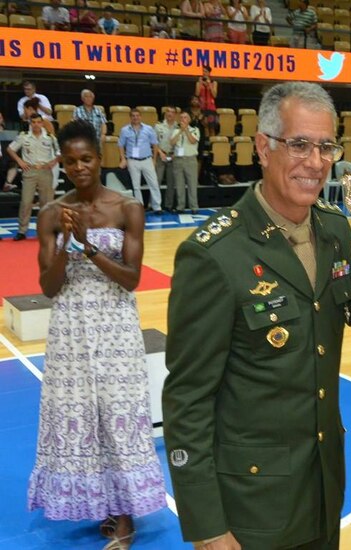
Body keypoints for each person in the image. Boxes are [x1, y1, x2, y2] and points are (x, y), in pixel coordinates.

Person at [162, 81, 351, 550]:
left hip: (324, 483)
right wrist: (207, 525)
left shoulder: (332, 229)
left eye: (326, 146)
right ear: (263, 148)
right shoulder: (213, 255)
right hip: (253, 503)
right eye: (299, 145)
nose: (316, 162)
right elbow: (186, 401)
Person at [27, 120, 166, 550]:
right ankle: (98, 504)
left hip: (116, 327)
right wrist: (67, 243)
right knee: (81, 417)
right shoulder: (52, 213)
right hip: (71, 328)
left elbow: (131, 279)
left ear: (100, 158)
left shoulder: (126, 208)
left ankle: (125, 519)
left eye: (86, 159)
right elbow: (48, 288)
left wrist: (87, 246)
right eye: (70, 161)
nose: (79, 168)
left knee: (118, 417)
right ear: (63, 164)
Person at [6, 114, 60, 241]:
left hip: (45, 171)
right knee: (26, 202)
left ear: (42, 123)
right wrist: (20, 161)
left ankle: (46, 231)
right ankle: (22, 231)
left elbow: (60, 152)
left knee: (46, 203)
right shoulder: (24, 136)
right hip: (29, 171)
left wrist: (54, 162)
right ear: (30, 123)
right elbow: (10, 149)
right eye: (33, 122)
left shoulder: (50, 137)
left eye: (38, 122)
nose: (36, 124)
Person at [118, 108, 163, 213]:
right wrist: (123, 159)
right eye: (133, 116)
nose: (135, 117)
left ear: (140, 117)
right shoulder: (125, 130)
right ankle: (140, 207)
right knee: (136, 186)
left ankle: (157, 207)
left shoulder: (148, 129)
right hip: (132, 160)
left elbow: (155, 144)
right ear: (130, 117)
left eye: (137, 115)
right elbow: (120, 145)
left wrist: (154, 159)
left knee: (154, 184)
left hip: (147, 160)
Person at [169, 111, 199, 213]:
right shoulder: (175, 130)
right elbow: (172, 142)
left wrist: (185, 130)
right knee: (179, 184)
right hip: (178, 160)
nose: (183, 119)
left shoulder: (195, 130)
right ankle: (180, 206)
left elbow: (192, 141)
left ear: (189, 119)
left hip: (190, 160)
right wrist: (180, 131)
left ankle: (194, 207)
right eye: (181, 117)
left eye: (185, 117)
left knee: (192, 184)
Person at [154, 106, 178, 211]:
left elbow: (181, 143)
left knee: (171, 183)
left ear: (175, 114)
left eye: (172, 112)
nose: (170, 114)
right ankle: (154, 205)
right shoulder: (158, 126)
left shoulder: (179, 127)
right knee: (156, 182)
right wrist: (160, 153)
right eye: (168, 111)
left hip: (173, 156)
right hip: (161, 155)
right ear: (165, 113)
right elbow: (154, 142)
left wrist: (175, 154)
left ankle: (169, 205)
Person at [195, 65, 219, 138]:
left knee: (212, 127)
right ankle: (205, 143)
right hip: (202, 108)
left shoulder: (214, 83)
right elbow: (197, 94)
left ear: (209, 73)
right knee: (204, 126)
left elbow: (214, 95)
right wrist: (200, 84)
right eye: (203, 71)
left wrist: (209, 85)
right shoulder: (199, 83)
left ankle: (212, 144)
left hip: (211, 108)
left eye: (205, 71)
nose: (204, 73)